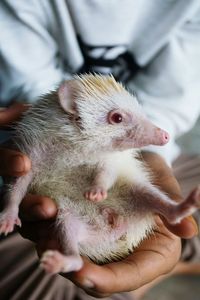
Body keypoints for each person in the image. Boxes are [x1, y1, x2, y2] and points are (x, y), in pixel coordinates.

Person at [0, 1, 200, 299]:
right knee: (49, 263)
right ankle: (170, 258)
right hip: (55, 208)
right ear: (74, 114)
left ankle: (172, 215)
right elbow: (32, 86)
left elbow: (166, 104)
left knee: (140, 185)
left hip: (128, 174)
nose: (155, 133)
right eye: (117, 119)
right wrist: (11, 207)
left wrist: (149, 154)